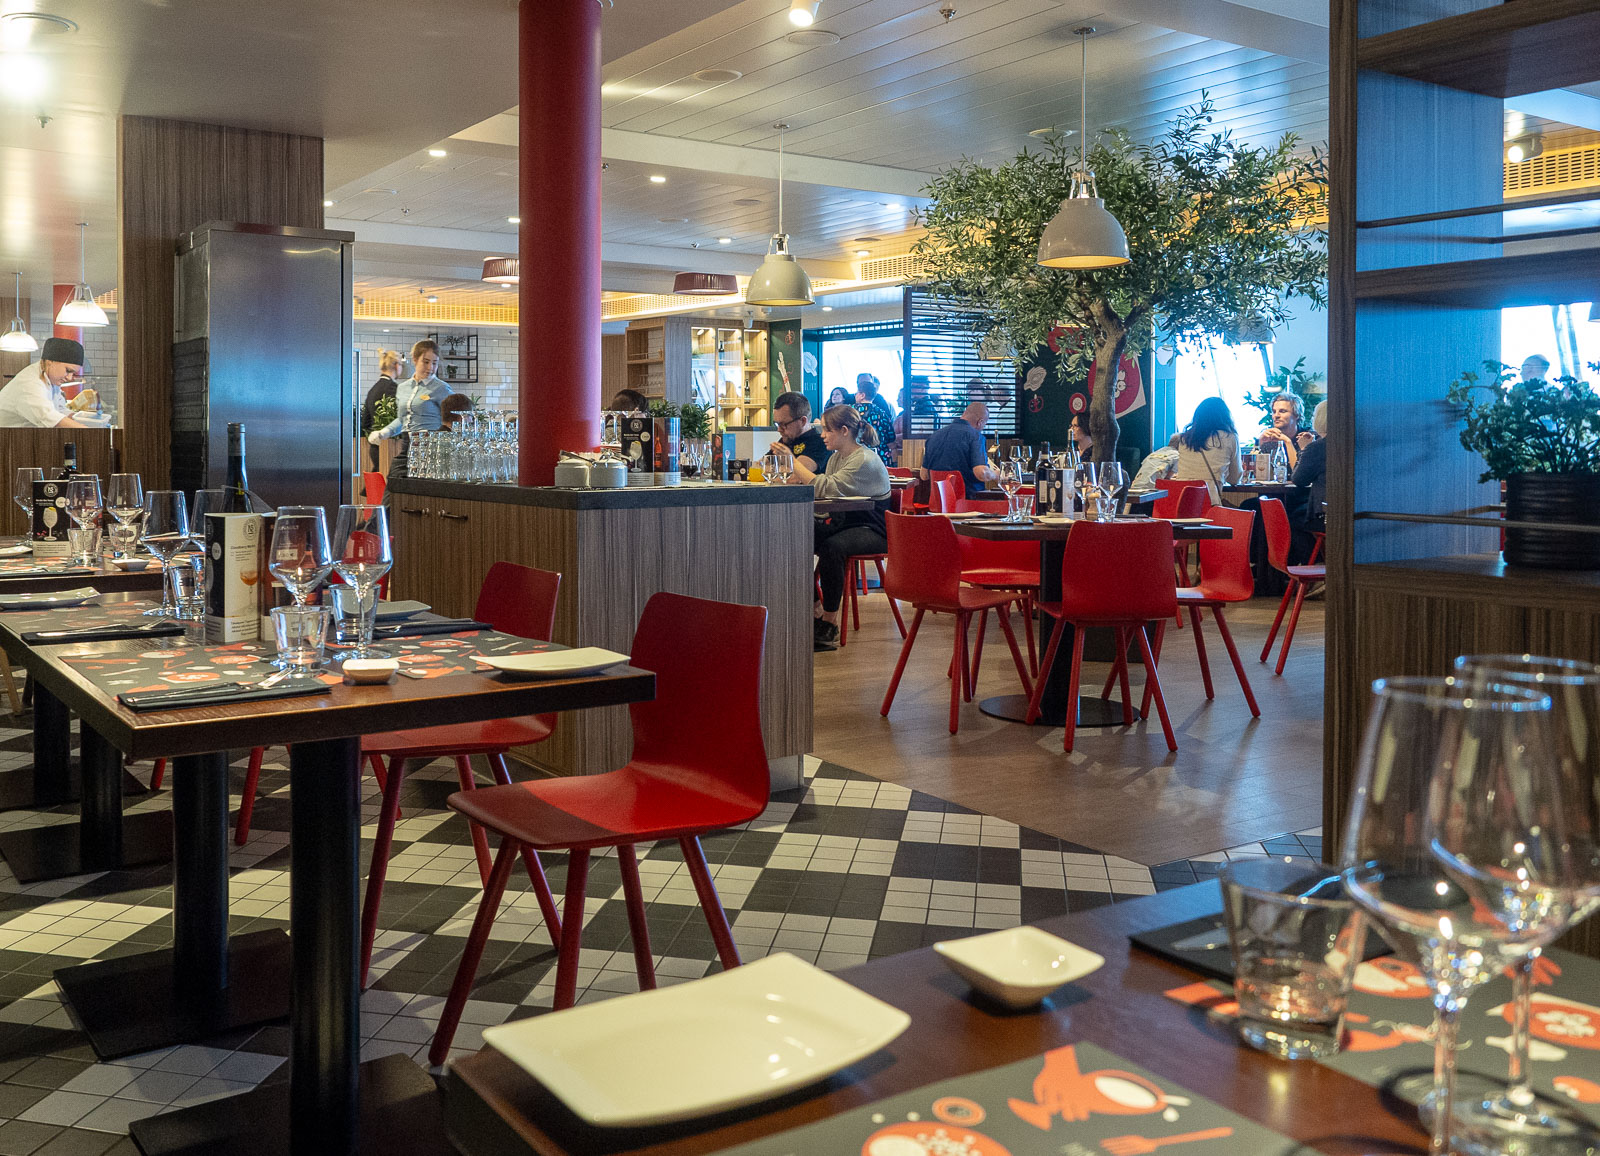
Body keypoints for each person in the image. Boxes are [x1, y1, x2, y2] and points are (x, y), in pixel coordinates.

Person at [787, 405, 891, 651]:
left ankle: (829, 623)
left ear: (844, 431)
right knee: (794, 538)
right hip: (845, 523)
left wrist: (792, 462)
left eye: (827, 430)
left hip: (872, 529)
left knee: (832, 548)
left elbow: (824, 488)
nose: (822, 435)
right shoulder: (836, 458)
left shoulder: (864, 460)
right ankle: (815, 609)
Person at [368, 339, 452, 478]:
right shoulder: (403, 388)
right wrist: (385, 432)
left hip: (431, 447)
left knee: (421, 488)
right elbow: (402, 419)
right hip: (407, 444)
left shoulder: (442, 388)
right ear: (415, 360)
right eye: (426, 362)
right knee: (394, 482)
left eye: (435, 363)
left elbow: (453, 418)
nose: (430, 368)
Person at [0, 337, 98, 429]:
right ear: (50, 362)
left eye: (73, 373)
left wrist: (85, 418)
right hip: (9, 438)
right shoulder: (29, 383)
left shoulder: (50, 378)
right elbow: (50, 418)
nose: (69, 377)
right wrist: (91, 432)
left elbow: (60, 410)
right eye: (68, 371)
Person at [1173, 396, 1243, 504]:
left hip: (1180, 502)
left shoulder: (1184, 439)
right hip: (1208, 503)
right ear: (1225, 417)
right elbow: (1234, 479)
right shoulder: (1229, 437)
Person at [921, 402, 997, 498]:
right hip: (969, 501)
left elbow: (924, 475)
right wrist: (996, 475)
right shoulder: (976, 436)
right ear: (980, 422)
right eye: (984, 425)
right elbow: (981, 473)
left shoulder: (934, 436)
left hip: (939, 501)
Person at [361, 349, 403, 470]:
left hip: (374, 447)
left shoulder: (373, 390)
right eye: (401, 364)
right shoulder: (394, 388)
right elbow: (403, 417)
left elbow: (365, 422)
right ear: (396, 365)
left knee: (378, 477)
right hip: (390, 447)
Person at [769, 390, 830, 472]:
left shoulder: (820, 443)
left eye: (784, 424)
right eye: (777, 424)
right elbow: (760, 466)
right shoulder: (786, 440)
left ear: (803, 421)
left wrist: (774, 469)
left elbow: (797, 475)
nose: (779, 429)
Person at [1293, 400, 1327, 534]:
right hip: (1351, 511)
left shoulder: (1317, 447)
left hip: (1323, 514)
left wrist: (1303, 449)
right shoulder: (1348, 443)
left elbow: (1299, 480)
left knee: (1292, 519)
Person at [1254, 393, 1308, 470]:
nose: (1276, 415)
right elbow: (1258, 473)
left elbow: (1300, 473)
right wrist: (1260, 443)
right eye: (1274, 411)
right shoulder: (1269, 439)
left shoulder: (1307, 438)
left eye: (1282, 411)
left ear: (1296, 415)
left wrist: (1287, 442)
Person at [854, 373, 896, 465]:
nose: (855, 395)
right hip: (880, 455)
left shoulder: (852, 411)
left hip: (857, 455)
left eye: (857, 393)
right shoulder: (882, 413)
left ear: (862, 395)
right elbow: (891, 436)